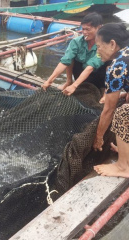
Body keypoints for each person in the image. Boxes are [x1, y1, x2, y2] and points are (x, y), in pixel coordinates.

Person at [42, 12, 107, 103]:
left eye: (88, 29)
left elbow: (91, 66)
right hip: (81, 75)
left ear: (99, 28)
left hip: (97, 77)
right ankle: (69, 81)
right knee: (70, 57)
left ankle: (106, 92)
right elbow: (65, 61)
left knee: (109, 64)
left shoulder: (103, 44)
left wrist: (74, 86)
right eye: (83, 29)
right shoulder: (76, 42)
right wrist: (49, 81)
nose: (84, 32)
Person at [93, 22, 129, 178]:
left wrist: (98, 137)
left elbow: (108, 110)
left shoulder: (117, 65)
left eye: (99, 46)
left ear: (112, 44)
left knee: (122, 113)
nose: (97, 51)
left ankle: (122, 167)